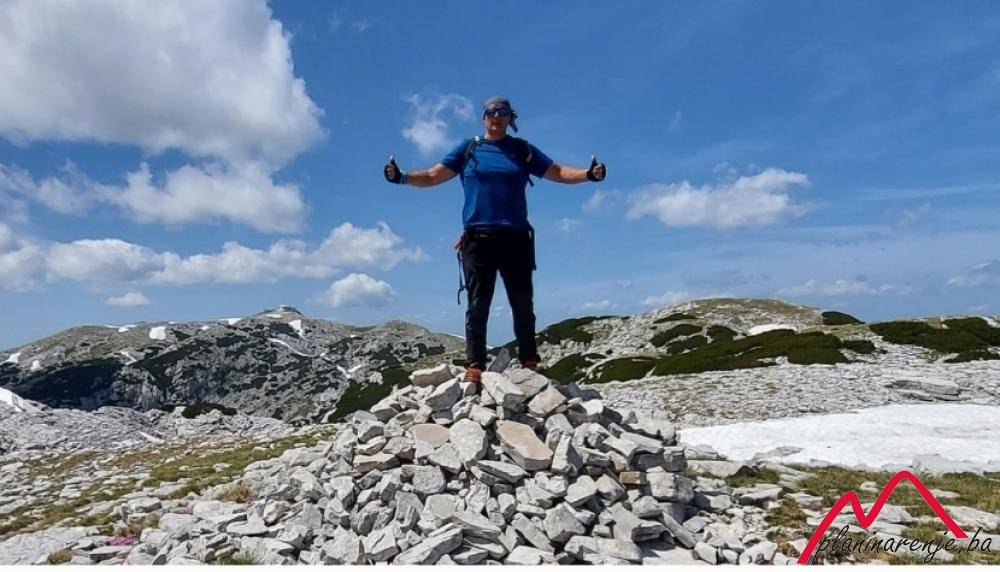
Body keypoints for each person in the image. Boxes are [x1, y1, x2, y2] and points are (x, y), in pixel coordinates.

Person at [384, 96, 606, 384]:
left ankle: (529, 362)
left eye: (502, 112)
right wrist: (401, 177)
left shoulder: (522, 150)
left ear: (510, 117)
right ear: (483, 117)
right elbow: (432, 176)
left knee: (522, 303)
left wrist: (588, 175)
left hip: (516, 238)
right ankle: (475, 365)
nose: (496, 116)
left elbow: (558, 172)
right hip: (477, 239)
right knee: (478, 304)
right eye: (490, 112)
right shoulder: (469, 149)